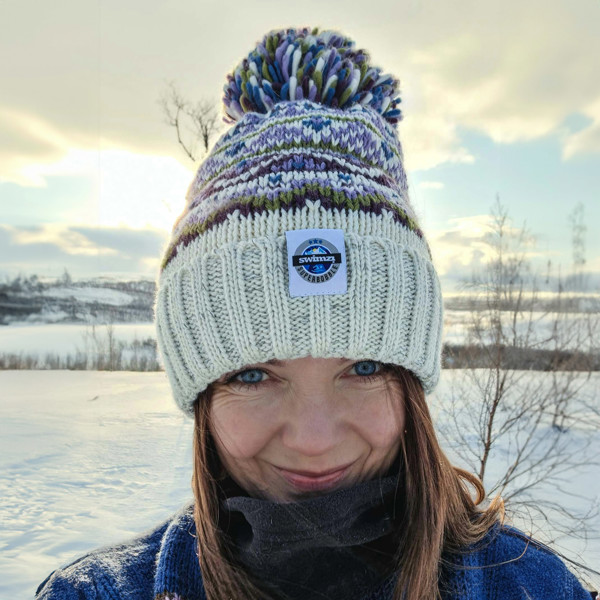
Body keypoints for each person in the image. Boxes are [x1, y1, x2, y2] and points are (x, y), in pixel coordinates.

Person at [36, 27, 594, 600]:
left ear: (411, 389)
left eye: (364, 367)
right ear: (201, 393)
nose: (313, 439)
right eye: (252, 374)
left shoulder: (533, 588)